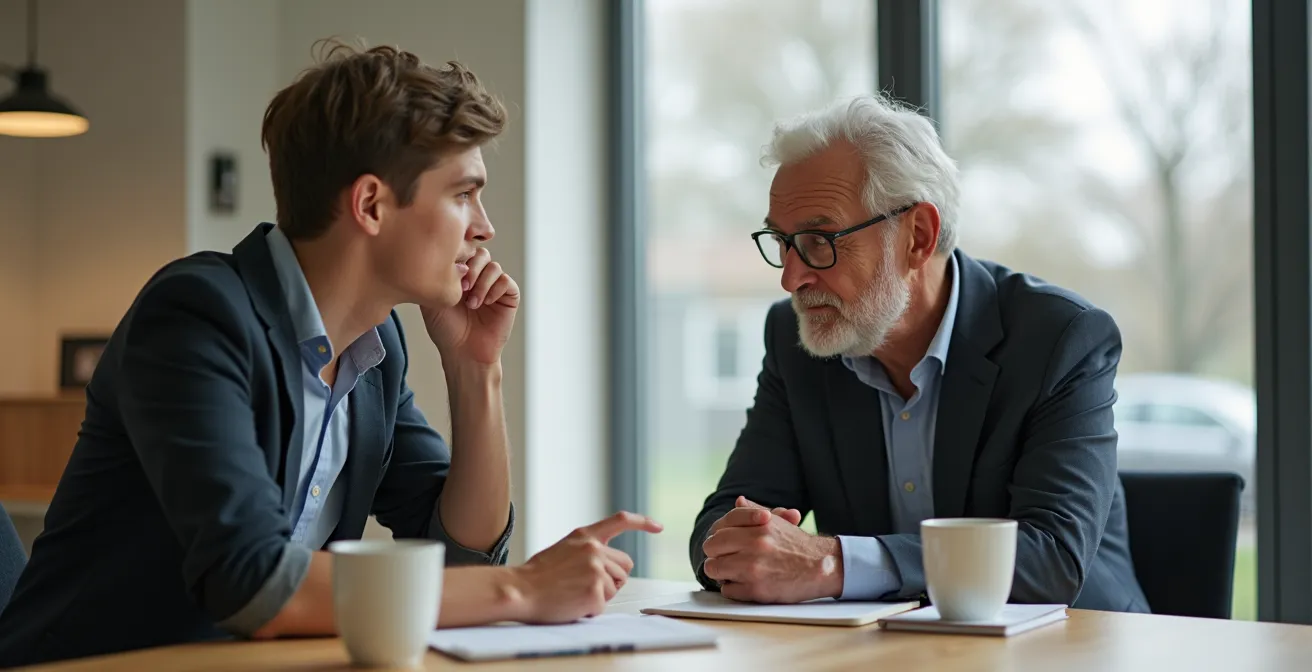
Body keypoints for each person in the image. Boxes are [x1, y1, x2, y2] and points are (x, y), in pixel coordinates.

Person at [0, 41, 661, 666]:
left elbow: (461, 564)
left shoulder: (377, 351)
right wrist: (525, 590)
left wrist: (475, 370)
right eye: (463, 194)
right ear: (371, 204)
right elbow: (251, 582)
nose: (485, 227)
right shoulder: (196, 316)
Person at [689, 93, 1149, 613]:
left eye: (819, 240)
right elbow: (724, 520)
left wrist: (833, 563)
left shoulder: (1060, 338)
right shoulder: (797, 340)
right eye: (782, 241)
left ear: (918, 237)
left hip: (1076, 646)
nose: (791, 277)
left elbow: (1052, 561)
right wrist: (742, 545)